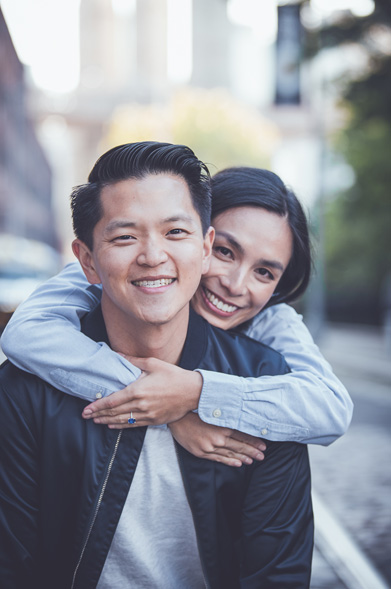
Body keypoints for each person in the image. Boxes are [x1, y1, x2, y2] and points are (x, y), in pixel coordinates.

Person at [0, 141, 313, 588]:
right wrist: (172, 407)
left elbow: (277, 574)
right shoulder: (24, 389)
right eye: (125, 236)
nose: (152, 255)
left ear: (201, 246)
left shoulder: (269, 389)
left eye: (175, 233)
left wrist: (195, 398)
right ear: (87, 259)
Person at [1, 165, 352, 466]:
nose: (234, 284)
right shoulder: (115, 274)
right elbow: (25, 333)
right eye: (225, 252)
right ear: (195, 238)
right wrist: (169, 409)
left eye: (264, 273)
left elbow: (329, 409)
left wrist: (195, 395)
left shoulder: (271, 318)